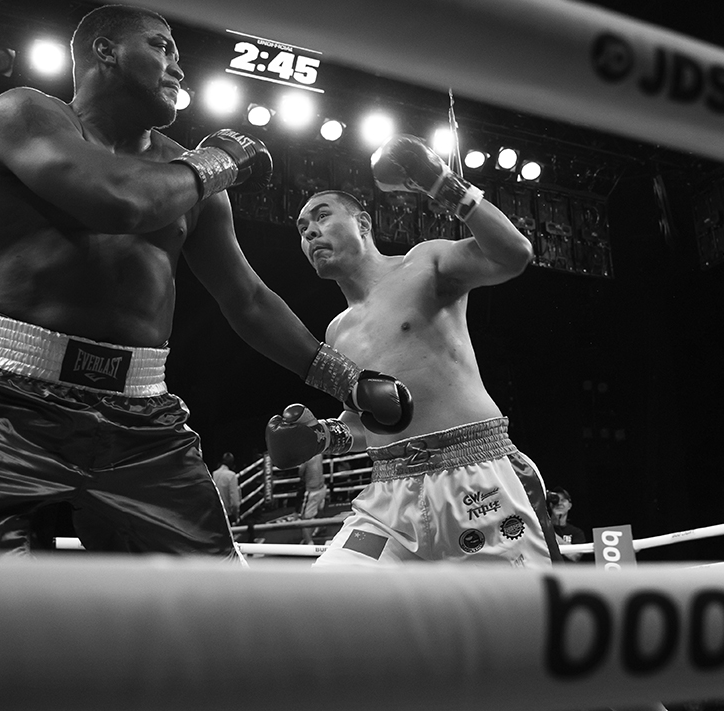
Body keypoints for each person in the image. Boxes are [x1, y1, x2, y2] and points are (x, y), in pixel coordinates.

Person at [0, 4, 410, 556]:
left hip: (142, 416)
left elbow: (247, 299)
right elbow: (118, 201)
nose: (179, 68)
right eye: (161, 48)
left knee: (212, 598)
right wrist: (217, 163)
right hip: (10, 397)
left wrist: (346, 382)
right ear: (107, 51)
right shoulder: (24, 113)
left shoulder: (190, 177)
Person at [265, 133, 561, 566]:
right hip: (389, 501)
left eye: (322, 216)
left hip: (478, 480)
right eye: (302, 229)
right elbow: (364, 421)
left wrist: (442, 183)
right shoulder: (337, 330)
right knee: (327, 598)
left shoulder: (423, 263)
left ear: (363, 223)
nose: (310, 231)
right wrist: (321, 436)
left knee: (518, 611)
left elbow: (513, 255)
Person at [547, 486, 587, 562]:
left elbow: (575, 556)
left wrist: (549, 534)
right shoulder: (540, 528)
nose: (559, 503)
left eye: (563, 500)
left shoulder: (577, 532)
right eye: (555, 500)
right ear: (550, 505)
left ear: (569, 506)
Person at [298, 453, 328, 544]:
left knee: (304, 519)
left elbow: (300, 473)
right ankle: (321, 527)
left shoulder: (306, 458)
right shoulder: (319, 453)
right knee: (320, 509)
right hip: (322, 488)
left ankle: (309, 543)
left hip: (313, 491)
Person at [212, 452, 240, 523]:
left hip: (216, 513)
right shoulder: (231, 476)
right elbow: (234, 502)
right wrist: (235, 515)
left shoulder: (214, 474)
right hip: (227, 514)